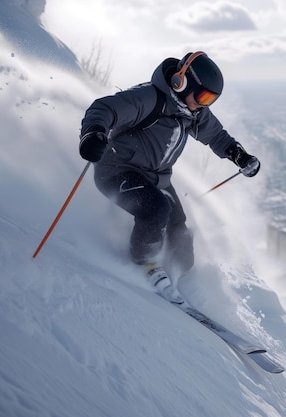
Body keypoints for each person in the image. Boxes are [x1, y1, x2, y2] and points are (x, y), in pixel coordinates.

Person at [78, 51, 260, 303]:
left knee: (179, 227)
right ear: (181, 82)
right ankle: (145, 263)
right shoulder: (150, 99)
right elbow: (104, 108)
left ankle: (185, 275)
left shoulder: (192, 111)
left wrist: (238, 155)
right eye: (203, 96)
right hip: (117, 170)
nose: (204, 104)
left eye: (211, 99)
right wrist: (93, 133)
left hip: (157, 178)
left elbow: (216, 135)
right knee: (156, 210)